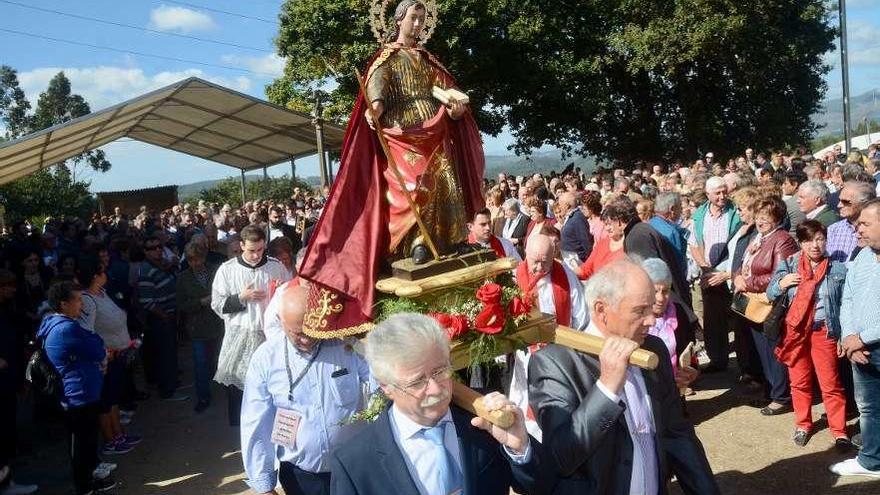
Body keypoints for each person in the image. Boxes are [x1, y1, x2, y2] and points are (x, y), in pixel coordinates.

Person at [296, 0, 486, 336]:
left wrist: (456, 110)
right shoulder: (387, 58)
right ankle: (414, 243)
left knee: (445, 185)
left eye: (423, 18)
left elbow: (447, 92)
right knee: (411, 189)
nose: (418, 24)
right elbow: (377, 87)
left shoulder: (428, 60)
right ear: (398, 20)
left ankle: (451, 238)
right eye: (414, 17)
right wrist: (377, 108)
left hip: (437, 131)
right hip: (402, 136)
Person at [528, 260, 719, 494]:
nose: (651, 320)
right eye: (640, 310)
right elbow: (562, 456)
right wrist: (606, 389)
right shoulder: (555, 363)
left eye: (651, 308)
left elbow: (676, 432)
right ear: (602, 310)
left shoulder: (653, 349)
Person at [329, 313, 545, 495]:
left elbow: (542, 485)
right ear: (385, 386)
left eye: (440, 371)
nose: (435, 388)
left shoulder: (485, 419)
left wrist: (519, 447)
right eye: (416, 382)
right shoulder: (354, 463)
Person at [241, 286, 370, 495]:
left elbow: (381, 379)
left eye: (310, 331)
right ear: (281, 323)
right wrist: (264, 484)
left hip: (354, 472)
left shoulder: (346, 345)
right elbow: (256, 423)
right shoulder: (265, 359)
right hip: (302, 478)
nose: (306, 339)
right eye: (297, 333)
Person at [766, 220, 849, 448]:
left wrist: (842, 335)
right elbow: (770, 293)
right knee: (799, 382)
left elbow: (845, 305)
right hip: (795, 333)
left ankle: (839, 431)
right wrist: (781, 283)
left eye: (820, 239)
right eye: (809, 240)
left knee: (830, 384)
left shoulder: (837, 269)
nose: (815, 245)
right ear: (801, 243)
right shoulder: (789, 264)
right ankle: (803, 424)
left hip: (824, 331)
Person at [38, 281, 116, 494]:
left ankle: (91, 478)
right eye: (78, 300)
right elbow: (96, 346)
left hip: (81, 392)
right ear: (64, 304)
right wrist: (98, 346)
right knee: (82, 444)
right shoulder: (66, 328)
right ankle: (84, 486)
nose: (81, 304)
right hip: (78, 395)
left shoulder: (59, 325)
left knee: (87, 441)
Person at [212, 225, 290, 426]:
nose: (256, 255)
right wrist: (241, 298)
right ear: (241, 246)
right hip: (241, 334)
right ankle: (242, 428)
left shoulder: (276, 267)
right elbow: (217, 304)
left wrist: (282, 293)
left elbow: (289, 297)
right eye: (251, 250)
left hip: (269, 336)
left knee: (272, 384)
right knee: (239, 386)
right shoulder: (227, 270)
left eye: (260, 250)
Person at [733, 197, 798, 415]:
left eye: (766, 218)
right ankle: (771, 392)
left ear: (777, 219)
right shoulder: (760, 237)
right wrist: (737, 278)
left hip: (770, 304)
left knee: (773, 352)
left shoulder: (782, 240)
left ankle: (781, 397)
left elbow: (779, 275)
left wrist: (747, 283)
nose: (760, 222)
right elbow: (745, 264)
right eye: (758, 217)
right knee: (761, 352)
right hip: (753, 302)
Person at [830, 199, 880, 478]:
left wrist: (861, 338)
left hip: (867, 342)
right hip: (859, 346)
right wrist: (849, 337)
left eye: (864, 224)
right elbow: (847, 298)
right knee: (870, 408)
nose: (857, 230)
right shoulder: (861, 256)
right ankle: (872, 461)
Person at [77, 259, 141, 456]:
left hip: (118, 354)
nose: (106, 273)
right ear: (95, 276)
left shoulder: (102, 293)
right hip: (105, 359)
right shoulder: (87, 300)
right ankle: (110, 439)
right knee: (105, 401)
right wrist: (104, 351)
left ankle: (119, 434)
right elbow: (87, 331)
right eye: (102, 271)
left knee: (113, 398)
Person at [690, 177, 742, 372]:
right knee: (713, 320)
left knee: (739, 317)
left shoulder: (735, 212)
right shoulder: (699, 215)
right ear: (707, 195)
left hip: (731, 273)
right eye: (717, 193)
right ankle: (717, 360)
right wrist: (704, 267)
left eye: (724, 191)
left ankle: (744, 364)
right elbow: (694, 244)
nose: (722, 196)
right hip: (708, 274)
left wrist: (724, 272)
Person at [176, 242, 224, 413]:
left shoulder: (216, 271)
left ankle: (228, 391)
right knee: (201, 364)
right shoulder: (182, 278)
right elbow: (181, 305)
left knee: (219, 359)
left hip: (218, 324)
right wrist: (200, 302)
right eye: (191, 260)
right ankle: (203, 396)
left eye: (198, 259)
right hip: (197, 328)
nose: (195, 263)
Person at [137, 236, 186, 402]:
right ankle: (167, 391)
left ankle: (172, 383)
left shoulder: (162, 265)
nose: (157, 250)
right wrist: (165, 317)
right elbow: (147, 302)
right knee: (164, 355)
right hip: (160, 319)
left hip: (170, 315)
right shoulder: (145, 270)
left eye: (159, 246)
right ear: (145, 252)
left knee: (170, 353)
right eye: (152, 248)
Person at [641, 258, 700, 391]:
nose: (661, 298)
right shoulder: (636, 319)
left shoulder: (679, 312)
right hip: (649, 392)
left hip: (676, 393)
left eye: (665, 291)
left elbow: (689, 352)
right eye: (655, 291)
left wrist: (692, 371)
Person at [827, 180, 876, 263]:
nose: (839, 205)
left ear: (864, 203)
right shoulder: (833, 229)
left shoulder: (875, 231)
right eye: (839, 200)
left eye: (845, 202)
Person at [556, 192, 594, 271]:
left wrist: (588, 265)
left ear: (567, 206)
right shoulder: (571, 217)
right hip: (570, 261)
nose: (559, 207)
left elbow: (586, 242)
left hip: (577, 262)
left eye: (560, 204)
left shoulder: (578, 218)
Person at [782, 170, 808, 235]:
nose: (783, 186)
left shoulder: (787, 205)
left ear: (795, 185)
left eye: (785, 183)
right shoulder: (811, 198)